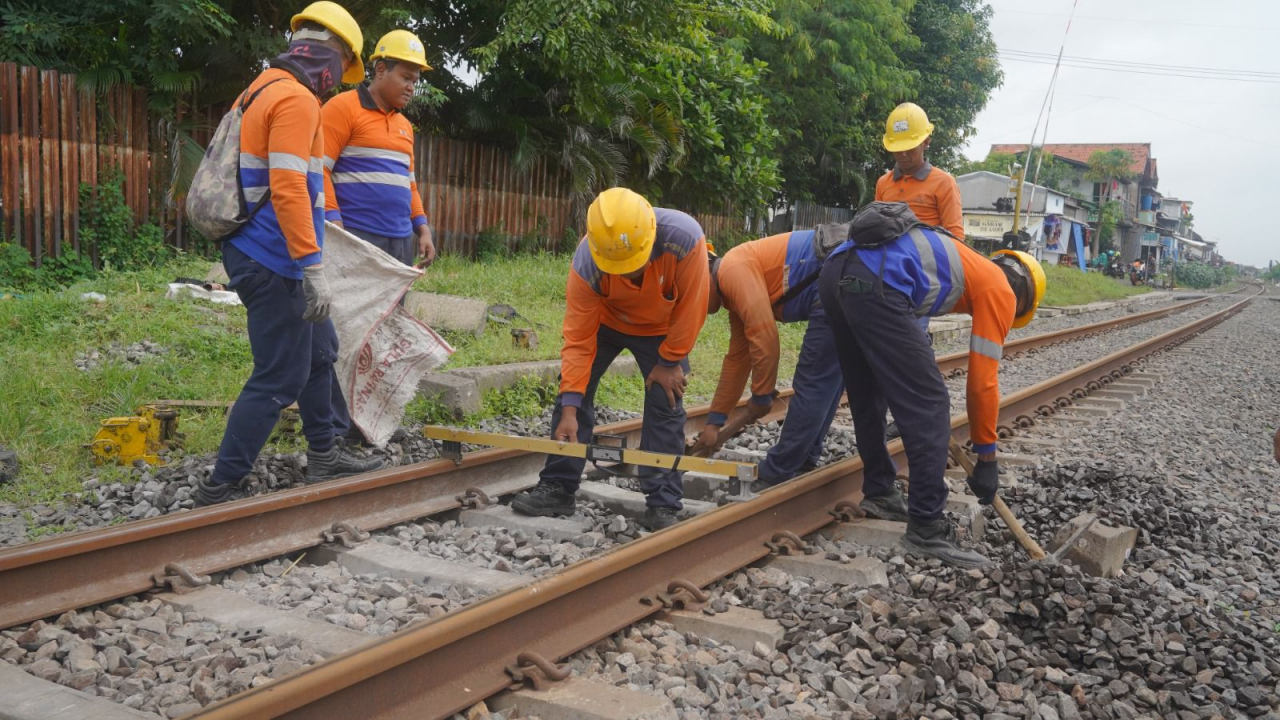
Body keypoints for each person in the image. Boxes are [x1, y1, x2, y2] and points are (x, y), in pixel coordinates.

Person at [196, 1, 384, 507]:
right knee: (279, 374)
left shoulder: (260, 86)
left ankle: (324, 454)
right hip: (272, 260)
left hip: (258, 251)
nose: (341, 81)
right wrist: (311, 267)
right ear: (336, 56)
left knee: (321, 352)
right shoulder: (297, 100)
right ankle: (222, 485)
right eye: (345, 70)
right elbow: (288, 187)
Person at [817, 202, 1046, 567]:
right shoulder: (1001, 291)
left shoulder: (962, 261)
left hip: (834, 272)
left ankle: (879, 491)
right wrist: (987, 457)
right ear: (1024, 297)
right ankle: (926, 525)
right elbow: (982, 383)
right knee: (932, 404)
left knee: (867, 393)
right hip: (876, 280)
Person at [510, 188, 710, 531]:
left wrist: (670, 361)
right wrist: (570, 408)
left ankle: (663, 504)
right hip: (606, 322)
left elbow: (692, 308)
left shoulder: (684, 238)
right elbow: (578, 342)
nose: (629, 274)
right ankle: (559, 487)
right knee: (572, 394)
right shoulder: (587, 262)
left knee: (666, 398)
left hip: (662, 329)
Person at [691, 229, 844, 486]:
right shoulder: (733, 295)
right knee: (829, 376)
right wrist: (714, 422)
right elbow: (738, 360)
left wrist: (761, 396)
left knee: (814, 378)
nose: (694, 304)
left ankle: (777, 472)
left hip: (834, 278)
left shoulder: (731, 269)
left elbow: (765, 337)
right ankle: (805, 457)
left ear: (703, 276)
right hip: (840, 280)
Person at [322, 29, 436, 271]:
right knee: (350, 308)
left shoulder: (405, 126)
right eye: (406, 78)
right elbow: (318, 171)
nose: (411, 88)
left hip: (400, 240)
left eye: (415, 81)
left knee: (391, 310)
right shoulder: (342, 108)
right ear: (381, 70)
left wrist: (423, 229)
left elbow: (409, 184)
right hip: (355, 234)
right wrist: (334, 225)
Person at [875, 103, 964, 240]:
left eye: (909, 148)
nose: (903, 154)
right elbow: (877, 229)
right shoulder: (883, 183)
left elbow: (955, 237)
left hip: (928, 259)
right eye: (898, 149)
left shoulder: (944, 183)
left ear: (926, 142)